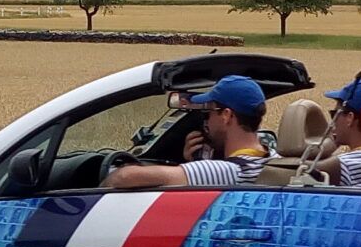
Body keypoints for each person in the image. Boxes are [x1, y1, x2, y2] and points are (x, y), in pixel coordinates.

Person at [107, 75, 272, 189]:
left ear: (226, 116)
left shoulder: (231, 171)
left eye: (209, 112)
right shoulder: (275, 160)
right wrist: (194, 162)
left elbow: (124, 177)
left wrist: (194, 167)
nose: (207, 121)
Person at [320, 78, 361, 187]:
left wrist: (326, 146)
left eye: (334, 114)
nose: (332, 121)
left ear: (349, 118)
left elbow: (300, 171)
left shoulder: (351, 164)